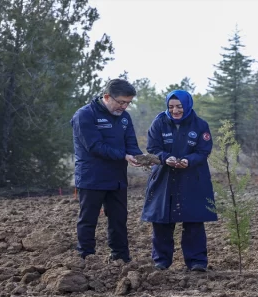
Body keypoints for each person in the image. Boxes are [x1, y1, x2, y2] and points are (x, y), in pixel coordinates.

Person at [141, 90, 217, 272]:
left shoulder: (200, 125)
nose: (175, 111)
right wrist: (165, 158)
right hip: (164, 177)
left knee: (193, 220)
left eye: (179, 107)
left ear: (187, 105)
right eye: (171, 107)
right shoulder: (159, 123)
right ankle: (161, 261)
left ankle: (197, 262)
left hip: (193, 178)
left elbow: (203, 150)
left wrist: (188, 161)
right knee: (162, 221)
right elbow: (152, 148)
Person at [70, 79, 143, 263]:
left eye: (128, 103)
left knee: (119, 219)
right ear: (107, 97)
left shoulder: (125, 117)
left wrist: (141, 158)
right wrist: (124, 156)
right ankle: (86, 258)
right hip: (91, 177)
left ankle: (120, 257)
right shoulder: (85, 115)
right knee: (88, 219)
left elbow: (131, 144)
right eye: (121, 102)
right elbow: (95, 147)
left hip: (117, 178)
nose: (124, 107)